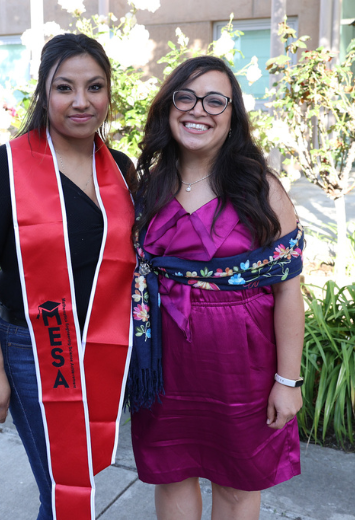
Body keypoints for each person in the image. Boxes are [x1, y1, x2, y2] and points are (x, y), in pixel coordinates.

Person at [0, 33, 136, 520]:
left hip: (103, 346)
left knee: (74, 483)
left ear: (108, 95)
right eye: (65, 88)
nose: (82, 102)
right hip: (35, 350)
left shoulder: (119, 170)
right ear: (44, 93)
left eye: (95, 87)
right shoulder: (6, 168)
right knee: (64, 495)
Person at [127, 56, 305, 520]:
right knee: (171, 474)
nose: (197, 110)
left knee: (236, 483)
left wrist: (288, 381)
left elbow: (289, 289)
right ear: (168, 108)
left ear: (232, 115)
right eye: (185, 97)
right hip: (163, 363)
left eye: (214, 100)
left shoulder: (260, 190)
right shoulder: (147, 189)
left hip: (242, 366)